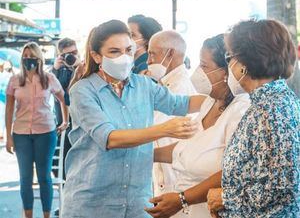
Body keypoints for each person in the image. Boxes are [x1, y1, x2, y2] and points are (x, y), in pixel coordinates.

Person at [62, 20, 209, 218]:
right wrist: (164, 129)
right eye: (114, 51)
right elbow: (110, 138)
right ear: (96, 56)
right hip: (93, 202)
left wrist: (221, 99)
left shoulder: (144, 85)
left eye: (129, 50)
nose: (124, 57)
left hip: (137, 203)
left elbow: (181, 103)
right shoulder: (83, 91)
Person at [145, 34, 250, 218]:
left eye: (204, 66)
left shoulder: (241, 111)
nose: (197, 72)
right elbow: (188, 147)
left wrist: (182, 199)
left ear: (227, 72)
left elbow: (233, 171)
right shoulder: (210, 101)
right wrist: (146, 156)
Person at [207, 19, 300, 217]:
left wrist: (225, 198)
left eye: (229, 58)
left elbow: (282, 186)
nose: (228, 67)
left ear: (244, 65)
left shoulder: (272, 109)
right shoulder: (267, 103)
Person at [5, 42, 68, 218]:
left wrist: (65, 121)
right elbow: (9, 109)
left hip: (46, 133)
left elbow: (63, 99)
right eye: (25, 57)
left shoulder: (49, 79)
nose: (28, 60)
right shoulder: (15, 80)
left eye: (31, 56)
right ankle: (28, 215)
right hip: (21, 133)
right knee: (25, 178)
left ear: (38, 58)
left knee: (44, 177)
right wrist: (8, 136)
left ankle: (47, 215)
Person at [145, 30, 197, 196]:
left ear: (171, 53)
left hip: (174, 178)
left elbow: (152, 124)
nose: (148, 61)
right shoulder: (164, 85)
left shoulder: (179, 88)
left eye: (152, 54)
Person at [51, 37, 84, 180]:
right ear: (60, 56)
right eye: (67, 54)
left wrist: (78, 66)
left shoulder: (84, 67)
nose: (72, 56)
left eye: (75, 52)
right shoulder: (58, 71)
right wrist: (55, 70)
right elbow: (50, 91)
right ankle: (66, 185)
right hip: (63, 123)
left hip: (82, 122)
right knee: (60, 161)